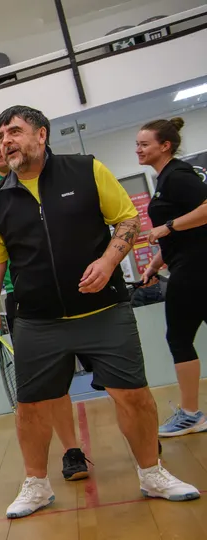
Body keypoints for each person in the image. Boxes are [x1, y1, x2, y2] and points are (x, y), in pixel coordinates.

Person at [0, 105, 200, 519]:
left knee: (134, 396)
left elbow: (127, 221)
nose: (6, 141)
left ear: (41, 135)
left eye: (15, 132)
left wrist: (110, 261)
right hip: (37, 321)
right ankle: (37, 485)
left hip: (104, 311)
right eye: (1, 135)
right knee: (31, 407)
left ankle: (152, 473)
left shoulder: (86, 170)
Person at [0, 114, 89, 482]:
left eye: (0, 141)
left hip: (83, 292)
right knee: (50, 387)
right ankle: (72, 451)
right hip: (27, 303)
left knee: (114, 377)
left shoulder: (57, 175)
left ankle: (141, 437)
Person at [137, 117, 207, 437]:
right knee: (180, 337)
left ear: (165, 146)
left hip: (195, 269)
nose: (138, 149)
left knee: (178, 338)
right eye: (137, 144)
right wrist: (154, 265)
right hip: (188, 263)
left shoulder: (178, 175)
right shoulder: (166, 179)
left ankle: (191, 414)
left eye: (144, 144)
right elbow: (180, 234)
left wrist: (167, 227)